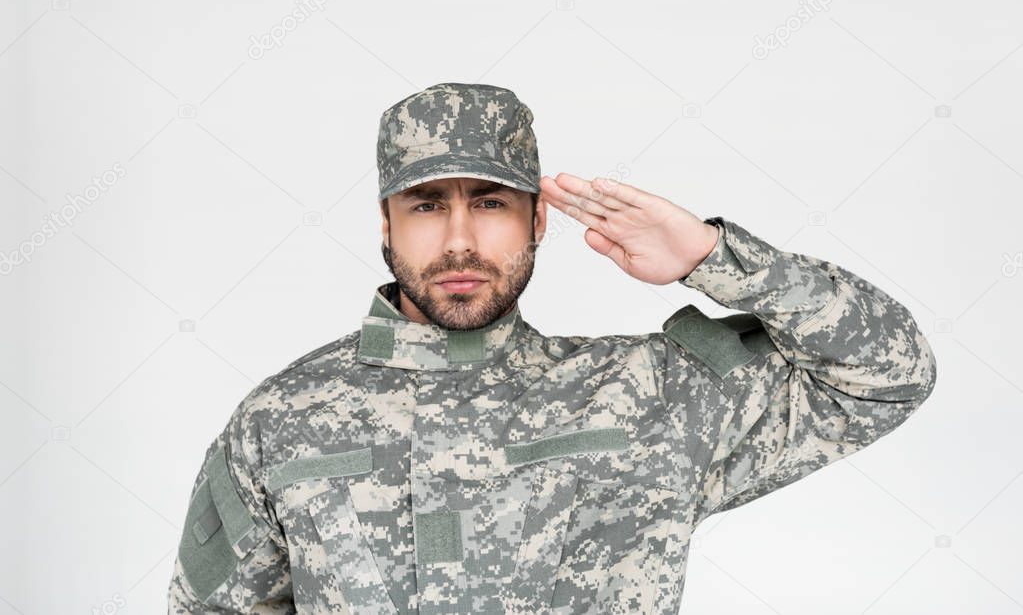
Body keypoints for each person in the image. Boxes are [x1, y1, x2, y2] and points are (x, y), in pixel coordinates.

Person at [167, 82, 937, 614]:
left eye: (492, 203)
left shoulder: (647, 395)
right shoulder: (284, 419)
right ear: (385, 224)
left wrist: (712, 256)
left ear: (538, 223)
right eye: (427, 205)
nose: (461, 239)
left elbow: (886, 373)